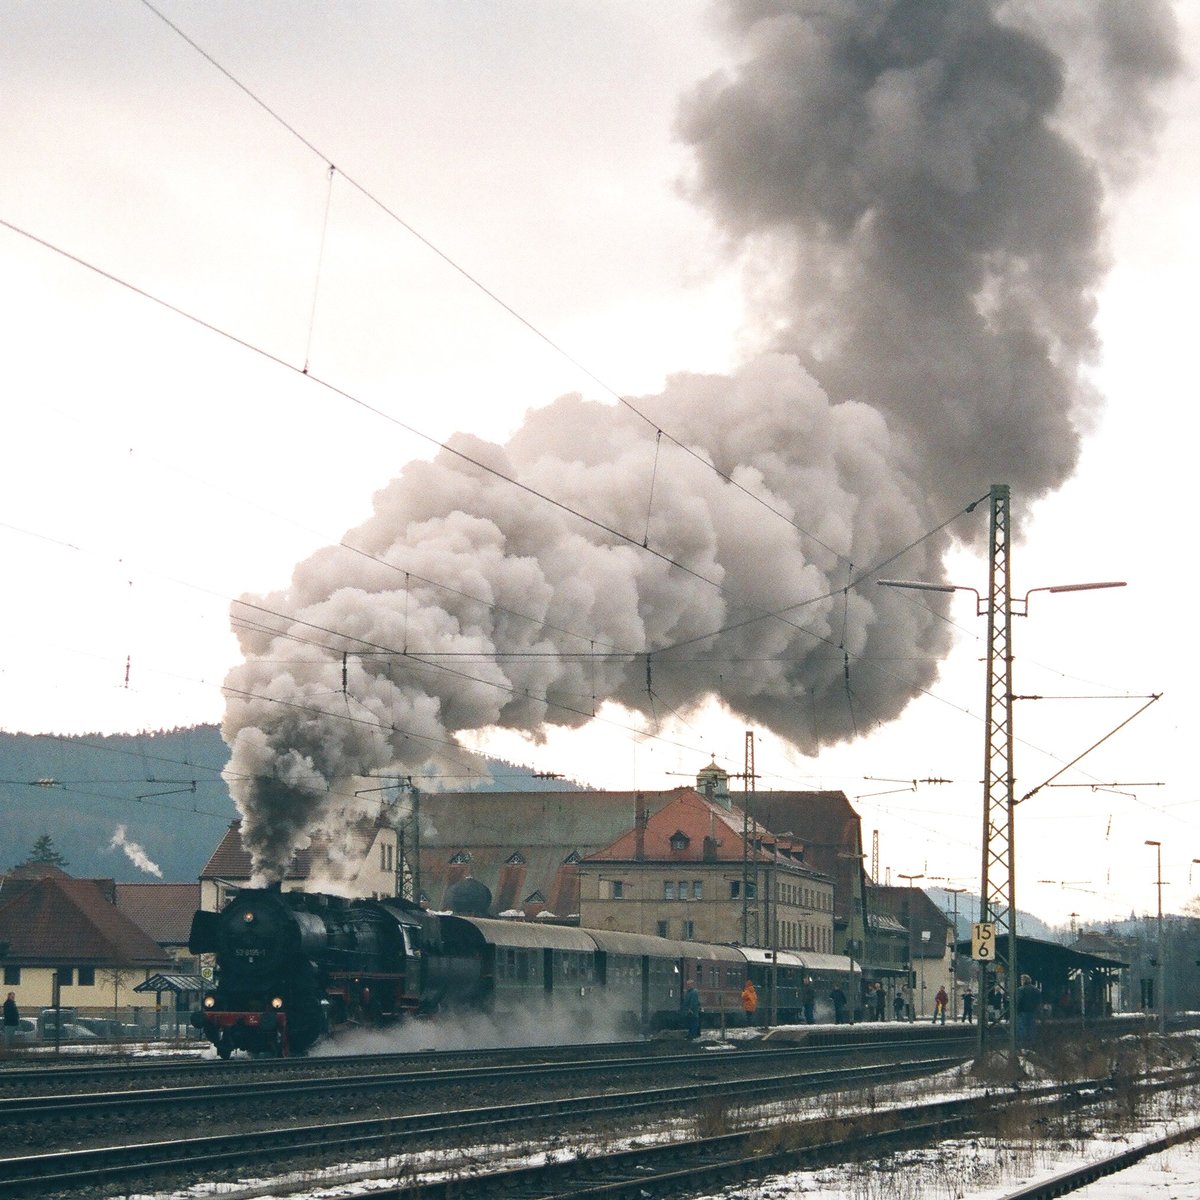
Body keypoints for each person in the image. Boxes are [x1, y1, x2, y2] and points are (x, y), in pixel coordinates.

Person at [1016, 974, 1041, 1046]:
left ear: (1023, 981)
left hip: (1023, 1011)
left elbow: (1018, 1001)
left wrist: (1017, 1010)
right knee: (1032, 1028)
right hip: (1033, 1011)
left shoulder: (1020, 989)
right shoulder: (1036, 990)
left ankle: (1023, 1044)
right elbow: (1039, 1001)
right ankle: (1032, 1043)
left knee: (1022, 1028)